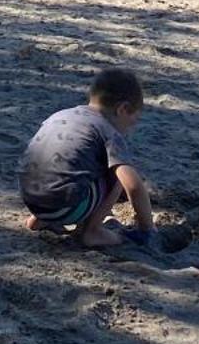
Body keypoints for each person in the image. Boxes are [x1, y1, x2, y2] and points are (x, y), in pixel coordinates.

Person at [19, 67, 155, 249]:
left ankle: (39, 220)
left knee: (63, 164)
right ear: (123, 109)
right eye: (134, 120)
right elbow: (134, 186)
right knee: (117, 175)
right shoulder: (109, 132)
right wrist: (147, 228)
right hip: (65, 207)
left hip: (31, 199)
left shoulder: (60, 115)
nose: (131, 128)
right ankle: (92, 231)